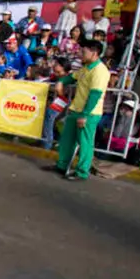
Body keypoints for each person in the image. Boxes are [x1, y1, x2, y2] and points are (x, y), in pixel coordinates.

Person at [43, 39, 110, 181]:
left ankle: (82, 172)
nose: (80, 54)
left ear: (94, 53)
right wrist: (61, 82)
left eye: (83, 51)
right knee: (67, 139)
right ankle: (62, 165)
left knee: (85, 143)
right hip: (76, 109)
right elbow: (71, 77)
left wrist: (85, 115)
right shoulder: (85, 68)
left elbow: (95, 95)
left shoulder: (100, 71)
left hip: (89, 113)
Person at [41, 58, 73, 151]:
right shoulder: (53, 77)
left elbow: (63, 94)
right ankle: (51, 140)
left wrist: (59, 92)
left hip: (64, 100)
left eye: (58, 71)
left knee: (49, 116)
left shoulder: (69, 79)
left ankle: (47, 145)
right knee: (50, 119)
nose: (56, 73)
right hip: (56, 100)